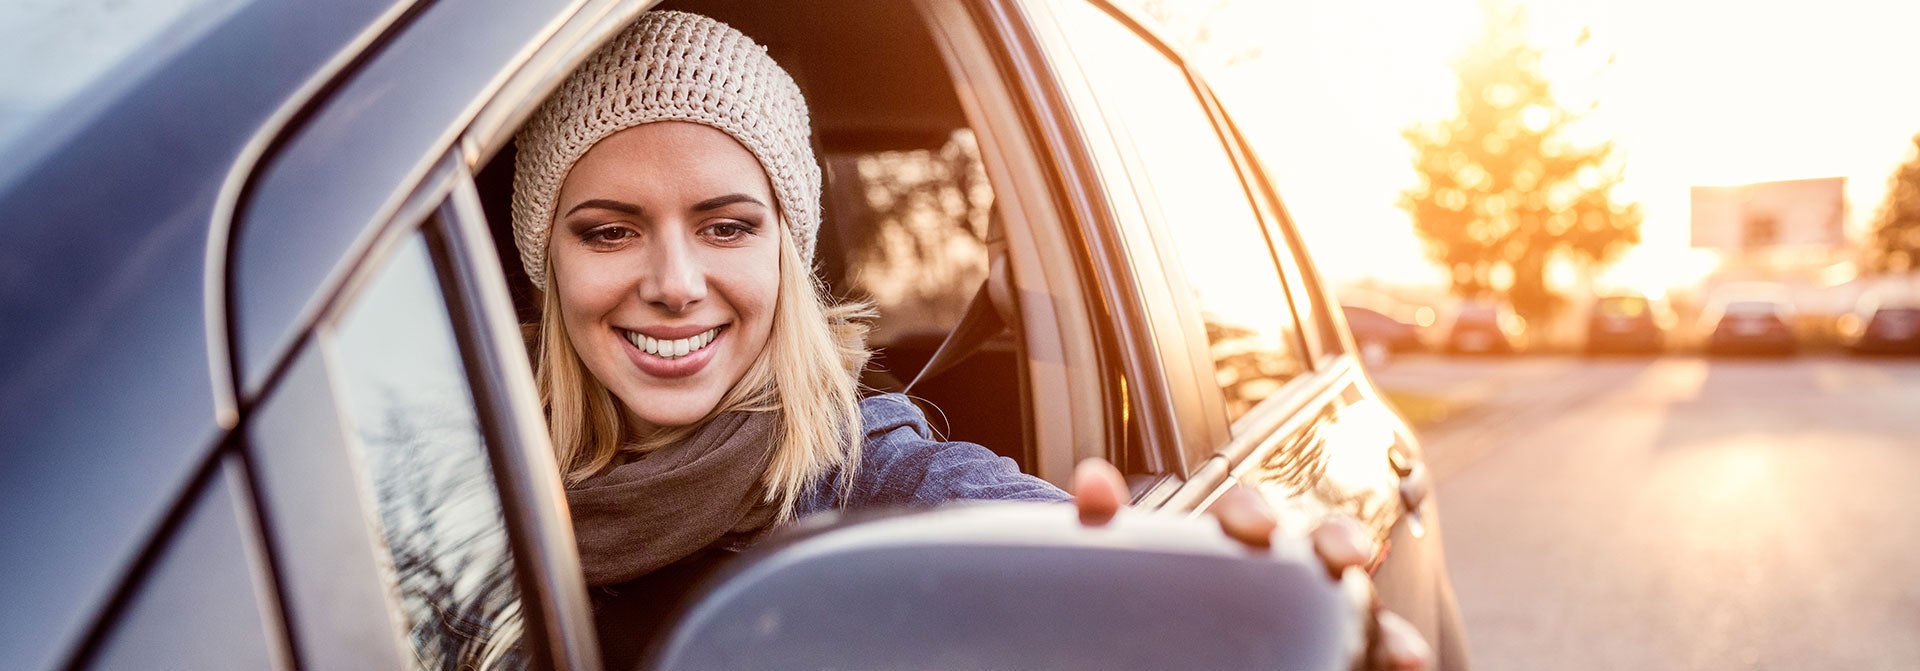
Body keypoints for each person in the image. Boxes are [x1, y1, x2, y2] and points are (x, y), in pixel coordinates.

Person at [509, 10, 1428, 669]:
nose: (673, 284)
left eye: (727, 227)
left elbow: (1064, 583)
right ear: (543, 263)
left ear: (789, 255)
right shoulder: (438, 473)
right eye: (608, 230)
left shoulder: (892, 488)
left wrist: (1193, 611)